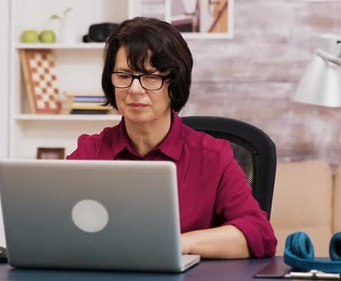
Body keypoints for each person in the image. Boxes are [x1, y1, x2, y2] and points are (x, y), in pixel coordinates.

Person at [66, 17, 277, 259]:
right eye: (124, 76)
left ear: (174, 84)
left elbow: (260, 236)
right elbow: (55, 228)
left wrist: (180, 244)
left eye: (151, 77)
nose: (135, 89)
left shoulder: (213, 156)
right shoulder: (89, 153)